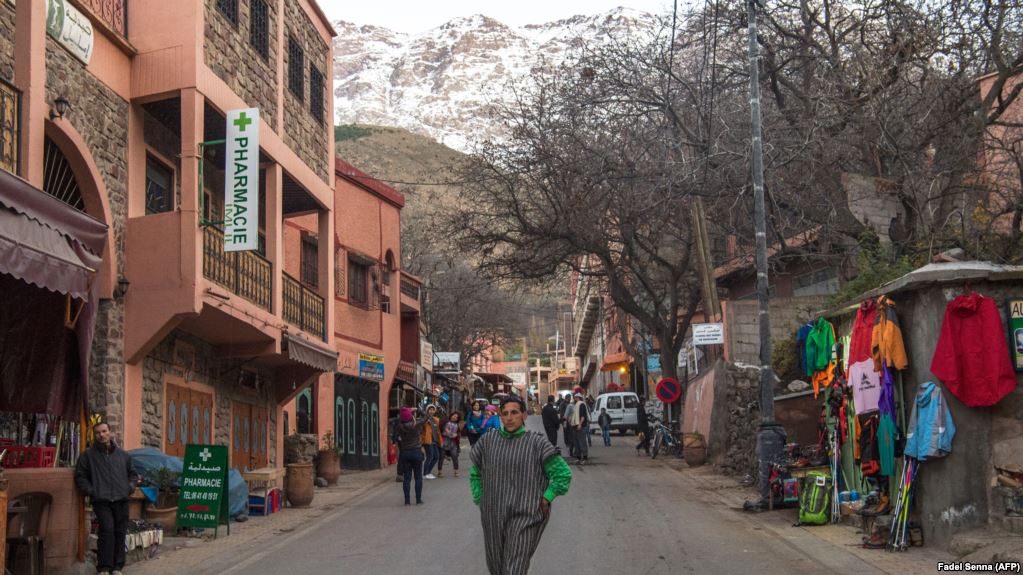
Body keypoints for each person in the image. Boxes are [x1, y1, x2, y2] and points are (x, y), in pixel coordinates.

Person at [470, 396, 572, 575]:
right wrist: (480, 499)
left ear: (524, 415)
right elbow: (475, 473)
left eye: (514, 412)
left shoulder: (537, 444)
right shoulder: (487, 442)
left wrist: (547, 498)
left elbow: (562, 474)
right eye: (505, 414)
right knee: (496, 566)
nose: (509, 418)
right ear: (500, 417)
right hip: (492, 515)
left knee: (514, 568)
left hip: (526, 515)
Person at [74, 421, 139, 575]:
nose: (101, 435)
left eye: (104, 431)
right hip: (101, 500)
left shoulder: (123, 455)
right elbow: (80, 476)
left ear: (110, 432)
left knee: (120, 532)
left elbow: (133, 475)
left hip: (121, 499)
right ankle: (104, 567)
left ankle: (117, 567)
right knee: (107, 531)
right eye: (98, 432)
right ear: (94, 435)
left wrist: (129, 488)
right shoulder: (87, 456)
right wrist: (92, 491)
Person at [396, 406, 428, 505]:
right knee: (418, 477)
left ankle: (407, 500)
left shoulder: (399, 426)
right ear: (411, 416)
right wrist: (418, 410)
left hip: (405, 453)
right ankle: (418, 499)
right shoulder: (417, 424)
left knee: (407, 478)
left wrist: (407, 412)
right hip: (416, 452)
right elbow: (426, 416)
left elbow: (400, 418)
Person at [569, 394, 590, 464]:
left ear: (578, 397)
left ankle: (584, 458)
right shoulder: (576, 405)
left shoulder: (581, 404)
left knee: (582, 442)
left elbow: (583, 416)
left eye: (574, 397)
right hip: (575, 426)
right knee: (576, 443)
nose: (574, 398)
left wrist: (580, 424)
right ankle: (578, 458)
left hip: (581, 426)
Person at [422, 404, 441, 479]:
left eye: (433, 410)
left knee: (436, 457)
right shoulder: (424, 419)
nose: (432, 411)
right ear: (427, 410)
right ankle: (425, 473)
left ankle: (428, 472)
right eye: (430, 409)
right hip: (428, 441)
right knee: (429, 457)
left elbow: (438, 430)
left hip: (435, 441)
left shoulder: (436, 419)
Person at [443, 412, 462, 477]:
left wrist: (456, 435)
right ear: (451, 416)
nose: (455, 417)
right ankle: (440, 471)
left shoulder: (457, 425)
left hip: (453, 442)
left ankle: (456, 471)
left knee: (455, 456)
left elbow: (458, 434)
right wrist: (451, 434)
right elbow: (444, 432)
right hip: (445, 441)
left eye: (456, 417)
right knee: (441, 456)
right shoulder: (446, 423)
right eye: (454, 416)